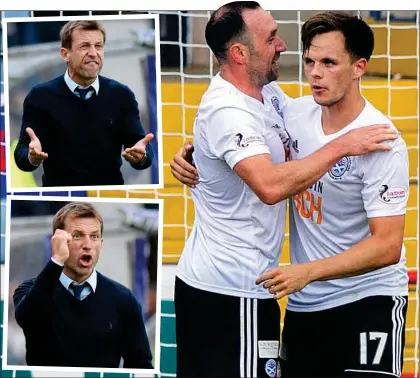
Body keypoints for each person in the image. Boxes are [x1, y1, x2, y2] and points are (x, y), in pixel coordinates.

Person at [169, 3, 398, 377]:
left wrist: (195, 151)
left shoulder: (273, 97)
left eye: (328, 62)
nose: (283, 45)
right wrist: (344, 145)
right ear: (240, 53)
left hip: (260, 289)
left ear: (359, 67)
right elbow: (270, 186)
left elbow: (270, 138)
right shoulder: (228, 110)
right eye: (271, 37)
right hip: (232, 289)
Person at [254, 12, 409, 378]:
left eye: (328, 62)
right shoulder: (293, 116)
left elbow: (387, 245)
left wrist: (307, 272)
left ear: (359, 68)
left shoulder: (382, 141)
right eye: (309, 61)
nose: (315, 73)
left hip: (368, 299)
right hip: (306, 306)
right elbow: (236, 136)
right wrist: (192, 152)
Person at [13, 202, 154, 369]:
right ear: (59, 241)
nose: (87, 244)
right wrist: (57, 260)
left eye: (94, 236)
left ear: (101, 242)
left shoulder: (123, 299)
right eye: (77, 235)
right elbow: (27, 318)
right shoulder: (30, 290)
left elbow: (141, 366)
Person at [13, 20, 154, 187]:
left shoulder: (122, 95)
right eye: (85, 46)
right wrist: (32, 158)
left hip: (109, 189)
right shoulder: (40, 95)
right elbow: (21, 153)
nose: (93, 53)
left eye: (99, 46)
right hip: (59, 191)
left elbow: (142, 149)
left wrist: (143, 157)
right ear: (65, 54)